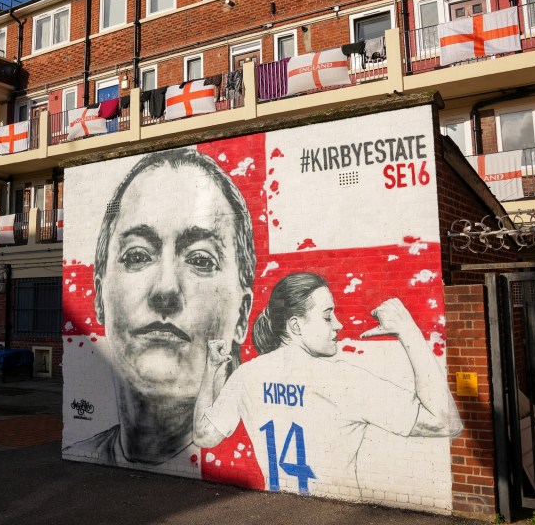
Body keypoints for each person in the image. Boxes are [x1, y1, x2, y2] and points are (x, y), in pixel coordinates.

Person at [64, 148, 256, 468]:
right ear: (98, 295)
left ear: (242, 314)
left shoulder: (259, 458)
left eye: (200, 260)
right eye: (137, 256)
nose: (166, 290)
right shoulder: (86, 449)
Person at [193, 272, 462, 496]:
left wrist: (212, 369)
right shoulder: (342, 379)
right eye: (327, 316)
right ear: (296, 326)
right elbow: (444, 422)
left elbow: (204, 435)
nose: (339, 325)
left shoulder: (246, 375)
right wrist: (408, 331)